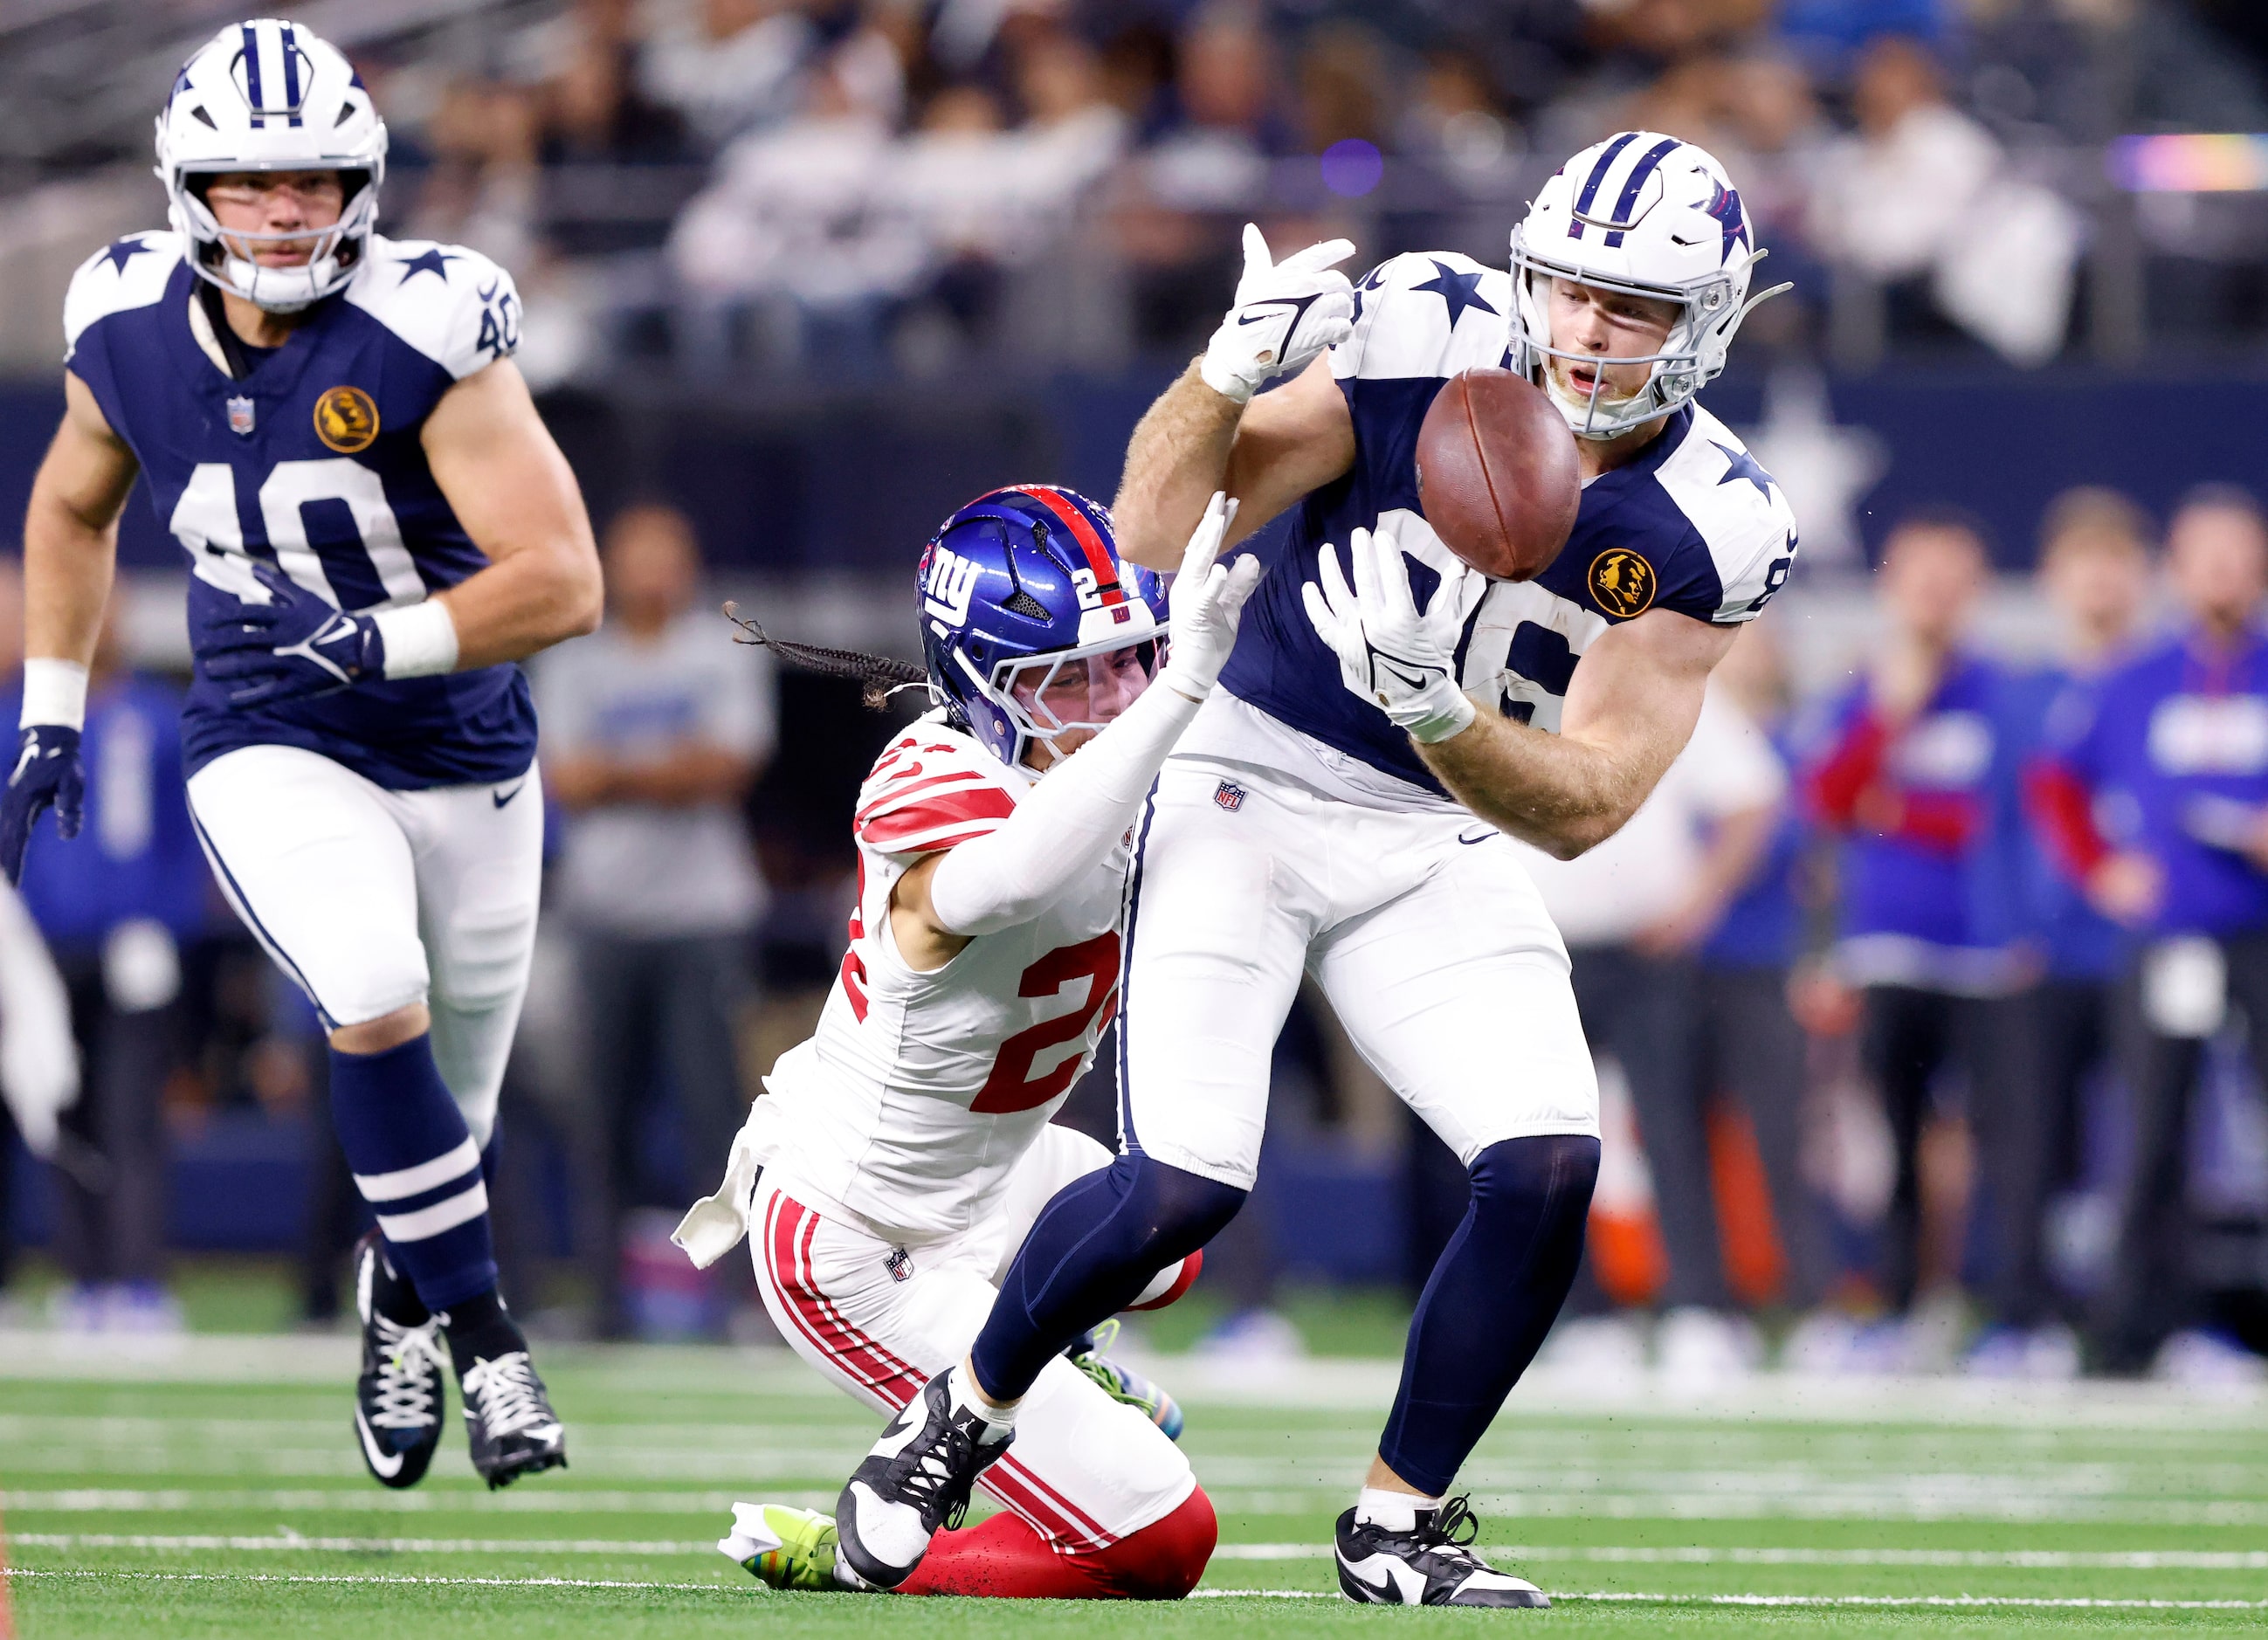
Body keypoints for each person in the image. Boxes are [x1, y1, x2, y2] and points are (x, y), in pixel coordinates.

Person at [838, 130, 1798, 1607]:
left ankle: (1397, 1522)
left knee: (1545, 1159)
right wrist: (1223, 373)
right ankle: (956, 1414)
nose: (1586, 334)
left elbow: (1588, 803)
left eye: (1636, 309)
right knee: (1182, 1186)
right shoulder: (1428, 325)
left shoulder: (1720, 521)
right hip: (1245, 770)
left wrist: (1435, 708)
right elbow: (1145, 536)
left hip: (1435, 824)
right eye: (1568, 290)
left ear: (1711, 322)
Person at [3, 21, 601, 1488]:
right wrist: (53, 706)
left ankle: (401, 1291)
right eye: (253, 182)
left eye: (317, 180)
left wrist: (384, 642)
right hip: (268, 729)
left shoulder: (426, 325)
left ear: (363, 185)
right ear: (187, 187)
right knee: (369, 988)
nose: (287, 211)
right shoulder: (125, 320)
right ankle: (489, 1345)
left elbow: (565, 577)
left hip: (462, 748)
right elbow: (73, 510)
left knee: (447, 1119)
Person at [672, 484, 1257, 1599]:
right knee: (1163, 1544)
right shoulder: (932, 779)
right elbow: (1018, 870)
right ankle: (864, 1549)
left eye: (1130, 659)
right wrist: (1179, 688)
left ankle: (1050, 1352)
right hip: (861, 1229)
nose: (1111, 697)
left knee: (1172, 1233)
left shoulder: (1118, 747)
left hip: (996, 1174)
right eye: (1068, 679)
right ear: (983, 689)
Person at [2030, 487, 2268, 1378]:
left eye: (2238, 556)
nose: (2222, 575)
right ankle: (2135, 1334)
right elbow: (2055, 782)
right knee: (2150, 1136)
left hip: (2258, 936)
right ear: (2176, 568)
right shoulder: (2132, 680)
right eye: (2207, 556)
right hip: (2168, 940)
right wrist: (2099, 869)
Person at [1513, 660, 1792, 1383]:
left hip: (1644, 950)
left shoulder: (1650, 678)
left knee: (1670, 1128)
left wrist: (1699, 900)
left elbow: (1753, 794)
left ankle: (1697, 1310)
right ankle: (1580, 1314)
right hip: (1533, 949)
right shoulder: (1491, 666)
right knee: (1542, 1137)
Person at [534, 502, 773, 1339]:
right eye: (637, 558)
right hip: (602, 917)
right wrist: (672, 769)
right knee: (603, 1119)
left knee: (718, 1117)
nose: (652, 575)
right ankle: (607, 1302)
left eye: (667, 557)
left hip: (702, 915)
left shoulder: (723, 651)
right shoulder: (575, 662)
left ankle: (740, 1303)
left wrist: (620, 773)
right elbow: (565, 779)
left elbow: (729, 764)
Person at [1797, 512, 2029, 1367]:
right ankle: (1891, 1306)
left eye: (1949, 578)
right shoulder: (1863, 690)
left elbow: (2005, 815)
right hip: (1884, 951)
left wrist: (1899, 813)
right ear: (1892, 588)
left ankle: (2001, 1316)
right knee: (1887, 1142)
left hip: (1987, 956)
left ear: (1971, 592)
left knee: (2005, 1145)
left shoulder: (1999, 691)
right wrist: (1887, 717)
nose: (1931, 595)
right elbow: (1822, 801)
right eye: (1917, 577)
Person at [1975, 488, 2155, 1377]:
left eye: (2115, 561)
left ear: (2141, 576)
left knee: (2155, 1141)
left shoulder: (2162, 683)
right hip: (2043, 953)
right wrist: (2004, 932)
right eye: (2082, 562)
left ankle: (2150, 1321)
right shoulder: (2020, 698)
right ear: (2050, 578)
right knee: (2032, 1140)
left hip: (2146, 953)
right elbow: (1997, 828)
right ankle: (2023, 1318)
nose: (2099, 582)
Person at [15, 597, 207, 1333]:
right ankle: (84, 1276)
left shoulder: (159, 716)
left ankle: (138, 1277)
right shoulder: (25, 717)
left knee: (132, 1116)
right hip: (47, 947)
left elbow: (190, 832)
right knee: (64, 1109)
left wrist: (171, 925)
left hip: (135, 945)